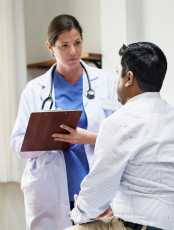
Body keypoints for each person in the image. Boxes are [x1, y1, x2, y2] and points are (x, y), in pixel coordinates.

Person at [10, 14, 119, 230]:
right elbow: (18, 145)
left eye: (77, 43)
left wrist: (84, 137)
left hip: (94, 188)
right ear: (50, 47)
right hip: (50, 190)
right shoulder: (34, 89)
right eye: (64, 45)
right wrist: (45, 136)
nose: (73, 51)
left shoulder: (103, 80)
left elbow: (121, 137)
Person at [65, 42, 174, 230]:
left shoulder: (118, 122)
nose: (115, 81)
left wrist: (78, 213)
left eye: (117, 73)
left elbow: (97, 191)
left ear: (128, 78)